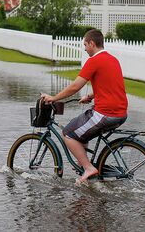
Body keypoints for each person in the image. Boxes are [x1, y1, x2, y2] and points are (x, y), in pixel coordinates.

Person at [40, 29, 128, 183]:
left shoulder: (94, 61)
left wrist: (53, 98)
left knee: (67, 133)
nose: (85, 49)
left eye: (85, 45)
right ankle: (83, 163)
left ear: (92, 43)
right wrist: (90, 96)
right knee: (81, 126)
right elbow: (111, 85)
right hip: (121, 114)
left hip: (105, 114)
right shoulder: (113, 60)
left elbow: (75, 86)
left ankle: (88, 167)